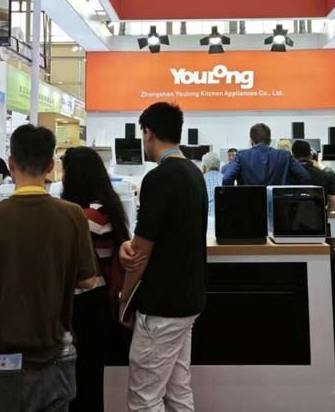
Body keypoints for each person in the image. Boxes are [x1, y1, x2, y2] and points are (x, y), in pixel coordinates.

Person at [0, 125, 97, 412]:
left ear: (11, 164)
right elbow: (88, 280)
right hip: (55, 353)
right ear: (51, 166)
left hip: (0, 357)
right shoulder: (72, 216)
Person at [118, 102, 207, 412]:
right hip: (188, 300)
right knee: (177, 390)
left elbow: (140, 253)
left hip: (162, 306)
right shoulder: (194, 173)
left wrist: (125, 299)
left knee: (144, 399)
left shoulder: (160, 177)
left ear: (148, 133)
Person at [62, 146, 131, 412]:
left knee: (81, 382)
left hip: (86, 304)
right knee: (88, 380)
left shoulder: (87, 216)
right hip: (98, 302)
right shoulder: (105, 208)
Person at [222, 123, 310, 186]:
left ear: (251, 141)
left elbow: (227, 178)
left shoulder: (241, 156)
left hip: (249, 204)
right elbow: (305, 177)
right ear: (270, 141)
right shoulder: (285, 155)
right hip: (278, 204)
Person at [291, 139, 335, 213]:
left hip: (295, 216)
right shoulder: (325, 175)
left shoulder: (289, 174)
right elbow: (334, 201)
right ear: (310, 155)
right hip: (317, 217)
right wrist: (325, 213)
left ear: (293, 156)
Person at [201, 151, 223, 234]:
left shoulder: (201, 180)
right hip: (223, 220)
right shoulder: (225, 179)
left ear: (204, 167)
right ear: (219, 166)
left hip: (207, 221)